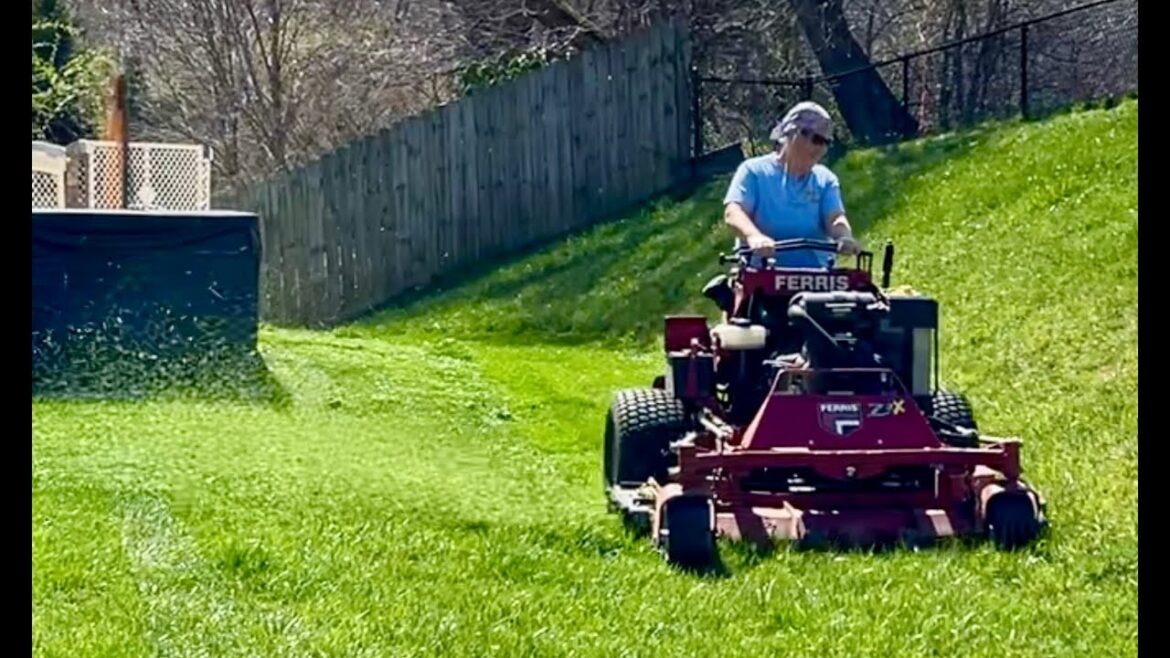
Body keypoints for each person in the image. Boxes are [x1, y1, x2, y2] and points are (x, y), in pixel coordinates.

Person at [723, 101, 861, 268]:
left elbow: (834, 218)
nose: (821, 148)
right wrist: (754, 236)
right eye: (816, 139)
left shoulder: (825, 179)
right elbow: (734, 212)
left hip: (817, 275)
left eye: (826, 142)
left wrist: (844, 237)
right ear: (793, 132)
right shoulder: (753, 171)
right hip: (762, 272)